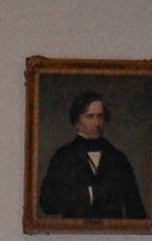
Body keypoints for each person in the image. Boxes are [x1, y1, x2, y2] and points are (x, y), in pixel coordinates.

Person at [38, 91, 146, 223]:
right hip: (72, 236)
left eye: (100, 116)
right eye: (89, 116)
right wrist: (86, 195)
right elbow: (47, 204)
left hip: (113, 237)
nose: (96, 123)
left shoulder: (118, 158)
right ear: (77, 121)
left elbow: (136, 211)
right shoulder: (63, 157)